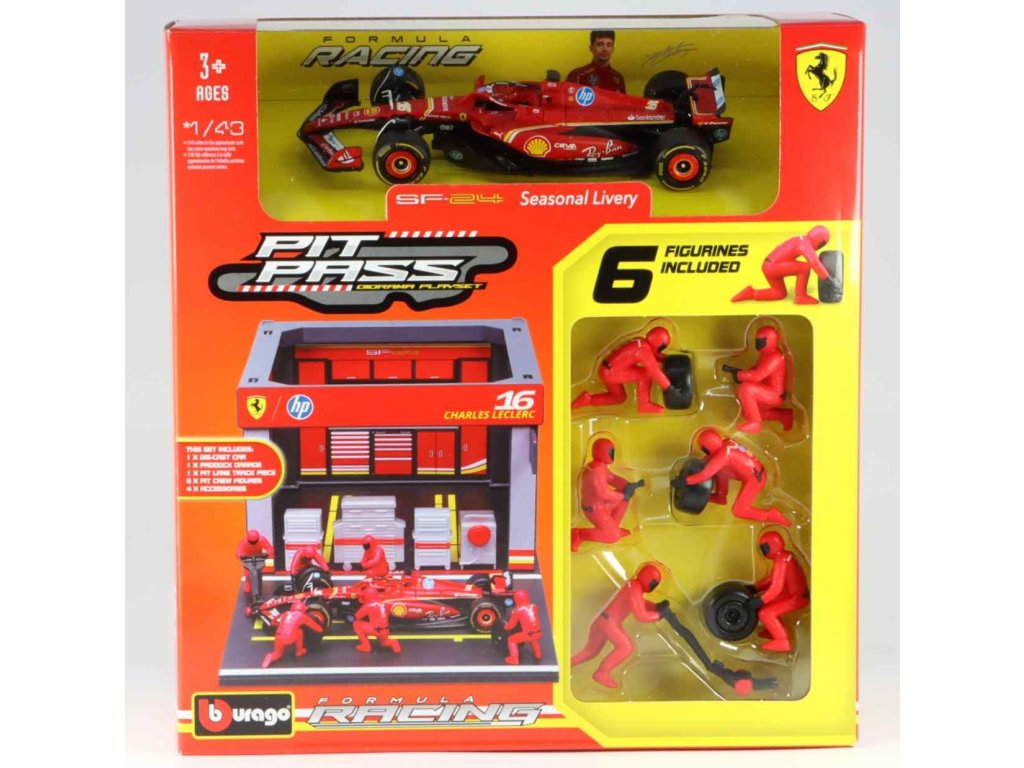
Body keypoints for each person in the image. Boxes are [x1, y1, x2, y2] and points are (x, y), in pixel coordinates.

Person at [570, 564, 663, 688]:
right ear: (650, 581)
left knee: (590, 652)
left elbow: (640, 603)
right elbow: (641, 615)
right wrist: (659, 615)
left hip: (602, 620)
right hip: (610, 623)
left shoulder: (633, 586)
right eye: (654, 584)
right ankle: (602, 673)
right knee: (626, 647)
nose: (653, 587)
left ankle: (565, 665)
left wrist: (655, 607)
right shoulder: (634, 588)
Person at [682, 428, 790, 527]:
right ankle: (721, 496)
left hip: (756, 479)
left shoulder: (724, 455)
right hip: (753, 472)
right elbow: (709, 461)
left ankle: (770, 515)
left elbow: (706, 474)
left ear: (706, 448)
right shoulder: (726, 443)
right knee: (720, 470)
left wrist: (685, 481)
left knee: (739, 510)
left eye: (704, 449)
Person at [571, 327, 676, 414]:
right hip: (612, 373)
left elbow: (653, 356)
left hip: (606, 369)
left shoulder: (641, 342)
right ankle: (644, 404)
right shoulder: (643, 350)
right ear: (659, 345)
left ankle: (588, 399)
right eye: (662, 347)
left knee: (619, 397)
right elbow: (655, 371)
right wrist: (669, 388)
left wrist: (665, 358)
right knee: (645, 374)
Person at [571, 438, 642, 551]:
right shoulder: (595, 470)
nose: (612, 455)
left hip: (601, 505)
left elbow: (612, 478)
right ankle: (579, 534)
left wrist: (626, 485)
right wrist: (622, 495)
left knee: (623, 502)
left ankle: (613, 528)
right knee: (612, 537)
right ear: (604, 452)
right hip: (594, 510)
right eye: (611, 452)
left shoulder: (600, 466)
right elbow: (603, 493)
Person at [732, 226, 831, 305]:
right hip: (774, 266)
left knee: (779, 293)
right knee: (805, 267)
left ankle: (750, 293)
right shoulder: (805, 243)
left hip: (767, 265)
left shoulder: (799, 239)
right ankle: (801, 296)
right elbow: (814, 262)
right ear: (820, 242)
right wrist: (827, 278)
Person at [752, 531, 809, 652]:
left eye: (764, 547)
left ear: (772, 546)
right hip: (793, 594)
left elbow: (776, 588)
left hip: (796, 598)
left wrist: (760, 600)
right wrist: (756, 588)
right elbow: (772, 579)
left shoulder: (782, 560)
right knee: (768, 606)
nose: (763, 551)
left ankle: (782, 641)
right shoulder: (784, 556)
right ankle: (775, 631)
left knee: (766, 613)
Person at [732, 325, 794, 433]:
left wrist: (740, 375)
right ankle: (783, 416)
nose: (759, 343)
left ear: (771, 340)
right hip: (767, 390)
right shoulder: (766, 354)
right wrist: (743, 373)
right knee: (748, 411)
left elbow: (758, 375)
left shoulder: (774, 357)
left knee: (745, 389)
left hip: (774, 394)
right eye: (758, 340)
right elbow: (757, 369)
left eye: (762, 341)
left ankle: (755, 423)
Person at [261, 602, 324, 668]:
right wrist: (322, 630)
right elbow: (318, 628)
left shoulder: (285, 614)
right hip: (289, 637)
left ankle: (271, 657)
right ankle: (299, 651)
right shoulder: (301, 616)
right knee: (300, 631)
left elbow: (273, 623)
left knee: (278, 653)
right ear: (303, 610)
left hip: (278, 636)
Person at [352, 585, 402, 654]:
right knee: (384, 642)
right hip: (385, 630)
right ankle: (394, 643)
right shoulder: (383, 603)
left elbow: (357, 616)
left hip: (375, 629)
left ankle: (366, 646)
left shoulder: (369, 605)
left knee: (356, 624)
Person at [503, 589, 543, 665]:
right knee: (533, 639)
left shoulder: (517, 611)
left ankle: (514, 659)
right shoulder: (534, 607)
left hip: (528, 634)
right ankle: (538, 654)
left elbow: (511, 625)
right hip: (538, 632)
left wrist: (505, 627)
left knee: (511, 640)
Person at [235, 529, 273, 598]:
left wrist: (269, 553)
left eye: (255, 541)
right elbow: (238, 551)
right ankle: (248, 583)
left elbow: (269, 548)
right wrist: (240, 555)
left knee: (258, 571)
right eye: (251, 542)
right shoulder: (244, 542)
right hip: (247, 558)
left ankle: (258, 586)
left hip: (259, 557)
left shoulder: (262, 540)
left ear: (258, 538)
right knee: (248, 572)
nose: (253, 543)